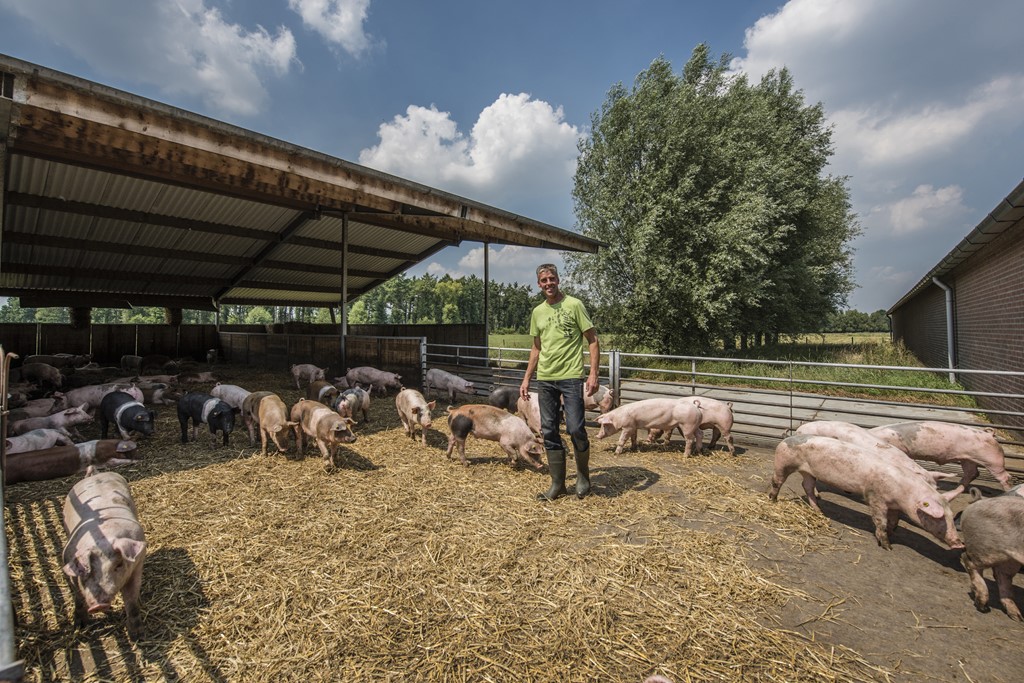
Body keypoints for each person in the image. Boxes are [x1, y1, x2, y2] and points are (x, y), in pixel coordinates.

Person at [520, 264, 600, 500]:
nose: (548, 283)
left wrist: (593, 373)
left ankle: (583, 477)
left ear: (558, 280)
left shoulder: (574, 305)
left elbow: (592, 340)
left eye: (552, 279)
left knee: (575, 428)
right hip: (546, 378)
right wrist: (526, 379)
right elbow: (536, 348)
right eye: (544, 280)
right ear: (539, 284)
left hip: (571, 376)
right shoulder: (538, 312)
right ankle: (558, 484)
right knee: (549, 430)